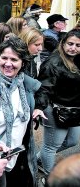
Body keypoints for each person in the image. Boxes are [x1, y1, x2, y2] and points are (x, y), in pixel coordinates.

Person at [0, 37, 44, 186]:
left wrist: (37, 108)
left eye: (14, 59)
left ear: (23, 62)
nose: (8, 64)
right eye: (4, 58)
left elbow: (44, 92)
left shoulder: (25, 84)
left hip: (18, 156)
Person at [35, 29, 80, 179]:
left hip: (73, 109)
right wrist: (39, 108)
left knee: (72, 141)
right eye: (70, 44)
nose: (73, 48)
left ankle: (37, 158)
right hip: (54, 109)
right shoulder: (53, 62)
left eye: (78, 45)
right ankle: (50, 178)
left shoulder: (77, 59)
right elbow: (43, 88)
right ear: (63, 43)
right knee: (51, 146)